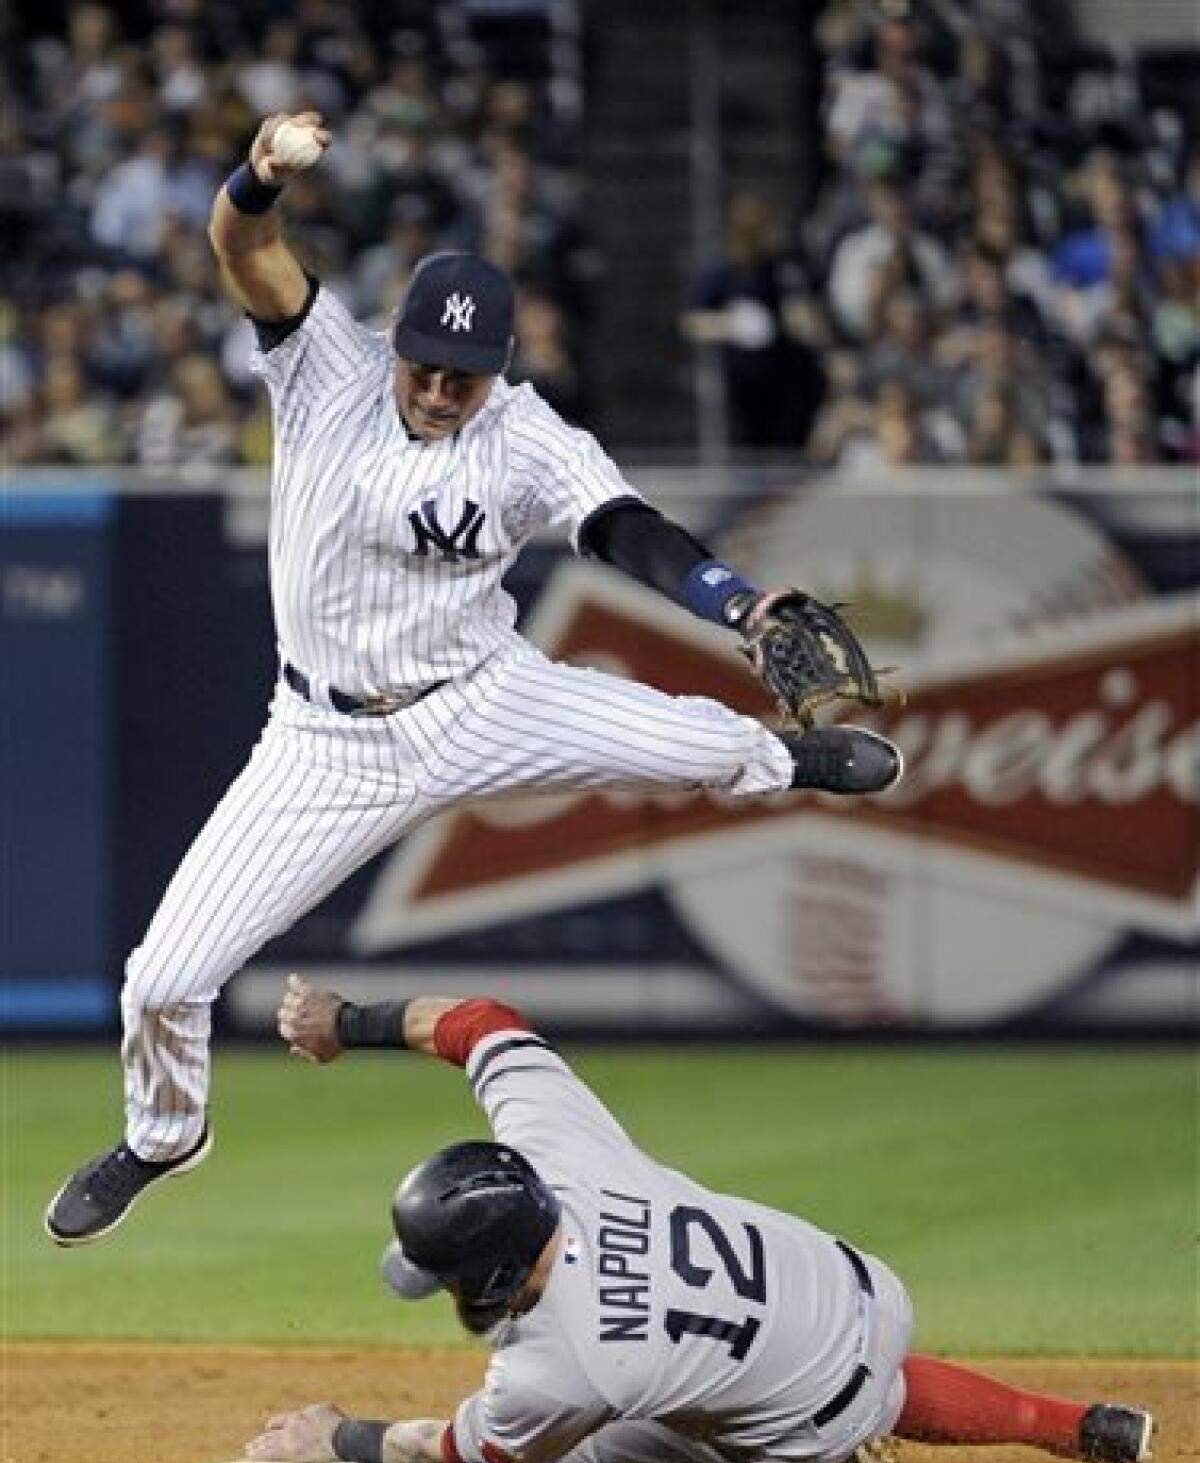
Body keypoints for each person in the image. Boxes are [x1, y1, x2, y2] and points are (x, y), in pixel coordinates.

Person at [45, 109, 903, 1249]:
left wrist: (734, 602)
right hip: (322, 741)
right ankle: (165, 1133)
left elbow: (620, 526)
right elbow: (241, 251)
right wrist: (253, 181)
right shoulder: (325, 366)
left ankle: (788, 757)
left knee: (691, 742)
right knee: (160, 979)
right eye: (430, 364)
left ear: (503, 368)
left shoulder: (524, 433)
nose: (445, 389)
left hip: (481, 696)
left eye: (470, 373)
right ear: (394, 339)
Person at [241, 976, 1153, 1463]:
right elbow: (485, 1024)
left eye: (445, 1278)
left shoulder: (564, 1366)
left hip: (804, 1426)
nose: (441, 1293)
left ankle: (837, 1457)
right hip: (857, 1285)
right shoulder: (561, 1152)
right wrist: (346, 1023)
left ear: (493, 1273)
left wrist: (343, 1436)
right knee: (806, 1354)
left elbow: (464, 1451)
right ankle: (1072, 1423)